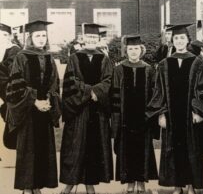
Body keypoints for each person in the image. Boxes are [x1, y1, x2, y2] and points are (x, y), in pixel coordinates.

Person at [147, 23, 203, 194]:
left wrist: (198, 111)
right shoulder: (165, 63)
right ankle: (177, 186)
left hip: (190, 116)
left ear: (188, 40)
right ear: (172, 41)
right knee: (173, 150)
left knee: (191, 150)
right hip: (172, 115)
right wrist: (161, 114)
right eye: (176, 38)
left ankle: (190, 186)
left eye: (182, 38)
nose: (179, 41)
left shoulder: (197, 62)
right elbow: (158, 91)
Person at [5, 20, 61, 194]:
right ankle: (27, 188)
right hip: (28, 111)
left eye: (44, 35)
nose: (41, 39)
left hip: (44, 110)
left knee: (42, 149)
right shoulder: (21, 57)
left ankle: (37, 186)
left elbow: (54, 84)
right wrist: (35, 101)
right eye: (38, 36)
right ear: (30, 37)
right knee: (28, 150)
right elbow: (15, 85)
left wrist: (49, 101)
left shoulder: (49, 57)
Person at [60, 23, 113, 194]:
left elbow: (109, 81)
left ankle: (90, 184)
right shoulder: (74, 58)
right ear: (83, 39)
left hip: (97, 113)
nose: (91, 40)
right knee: (75, 148)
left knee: (93, 148)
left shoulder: (104, 59)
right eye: (88, 37)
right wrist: (91, 92)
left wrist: (97, 92)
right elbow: (70, 82)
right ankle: (70, 184)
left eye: (94, 37)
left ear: (98, 39)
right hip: (78, 112)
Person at [111, 35, 158, 193]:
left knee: (142, 150)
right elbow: (115, 96)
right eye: (130, 49)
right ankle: (130, 183)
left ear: (141, 50)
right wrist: (116, 121)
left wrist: (151, 117)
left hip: (143, 120)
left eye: (136, 48)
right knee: (127, 151)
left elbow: (154, 94)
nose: (133, 52)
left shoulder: (148, 69)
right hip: (125, 120)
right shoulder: (118, 69)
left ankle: (141, 183)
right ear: (126, 50)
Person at [0, 23, 22, 119]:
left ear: (9, 36)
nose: (1, 37)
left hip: (10, 94)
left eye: (4, 35)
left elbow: (10, 74)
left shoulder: (14, 50)